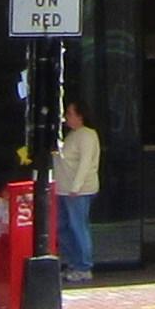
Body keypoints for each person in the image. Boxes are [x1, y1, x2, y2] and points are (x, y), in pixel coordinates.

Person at [56, 100, 102, 280]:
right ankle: (74, 262)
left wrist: (76, 186)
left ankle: (84, 266)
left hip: (78, 190)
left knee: (78, 226)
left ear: (80, 116)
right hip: (63, 189)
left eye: (70, 113)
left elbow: (85, 163)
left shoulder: (87, 136)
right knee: (62, 227)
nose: (67, 117)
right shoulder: (71, 135)